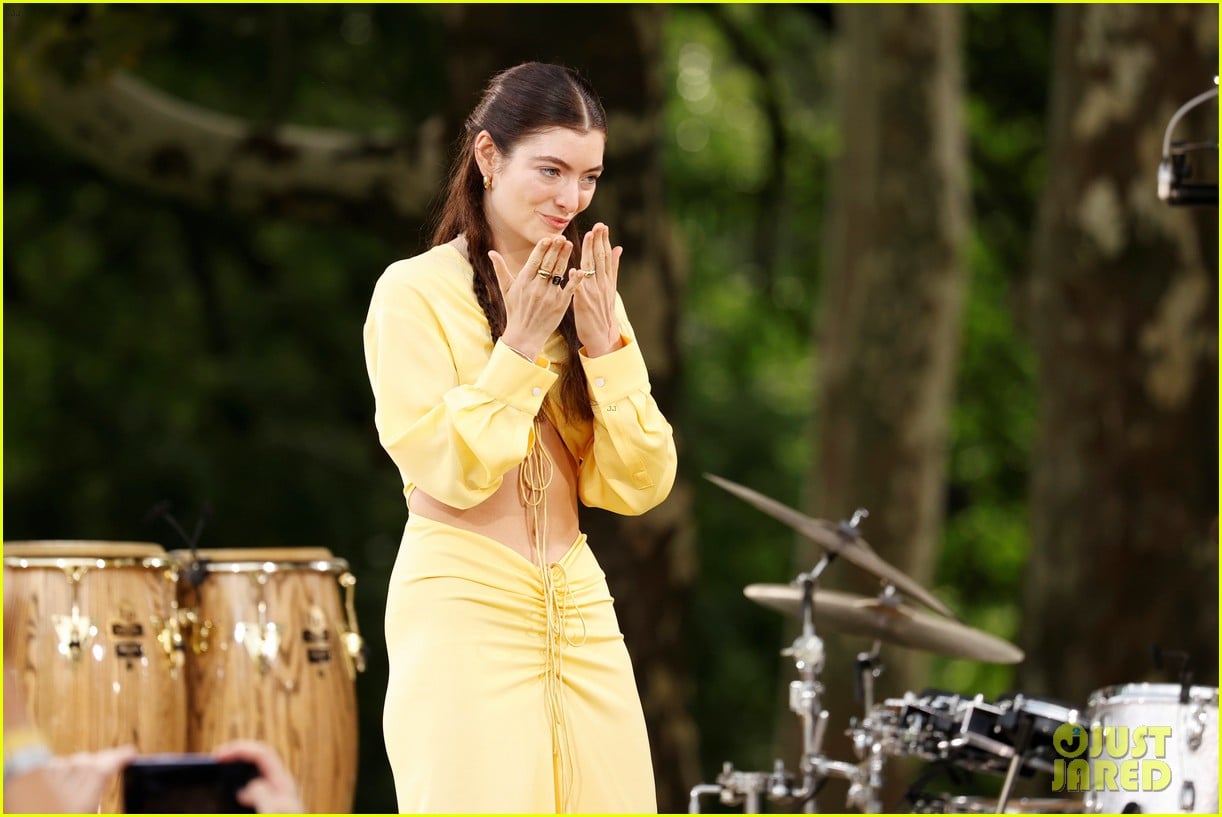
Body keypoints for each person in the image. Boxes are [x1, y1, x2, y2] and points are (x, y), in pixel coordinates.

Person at [364, 62, 677, 813]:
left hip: (579, 599)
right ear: (487, 157)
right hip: (463, 600)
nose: (571, 198)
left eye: (589, 176)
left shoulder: (590, 294)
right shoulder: (411, 292)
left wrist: (606, 348)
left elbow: (639, 483)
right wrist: (522, 345)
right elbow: (451, 470)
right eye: (551, 169)